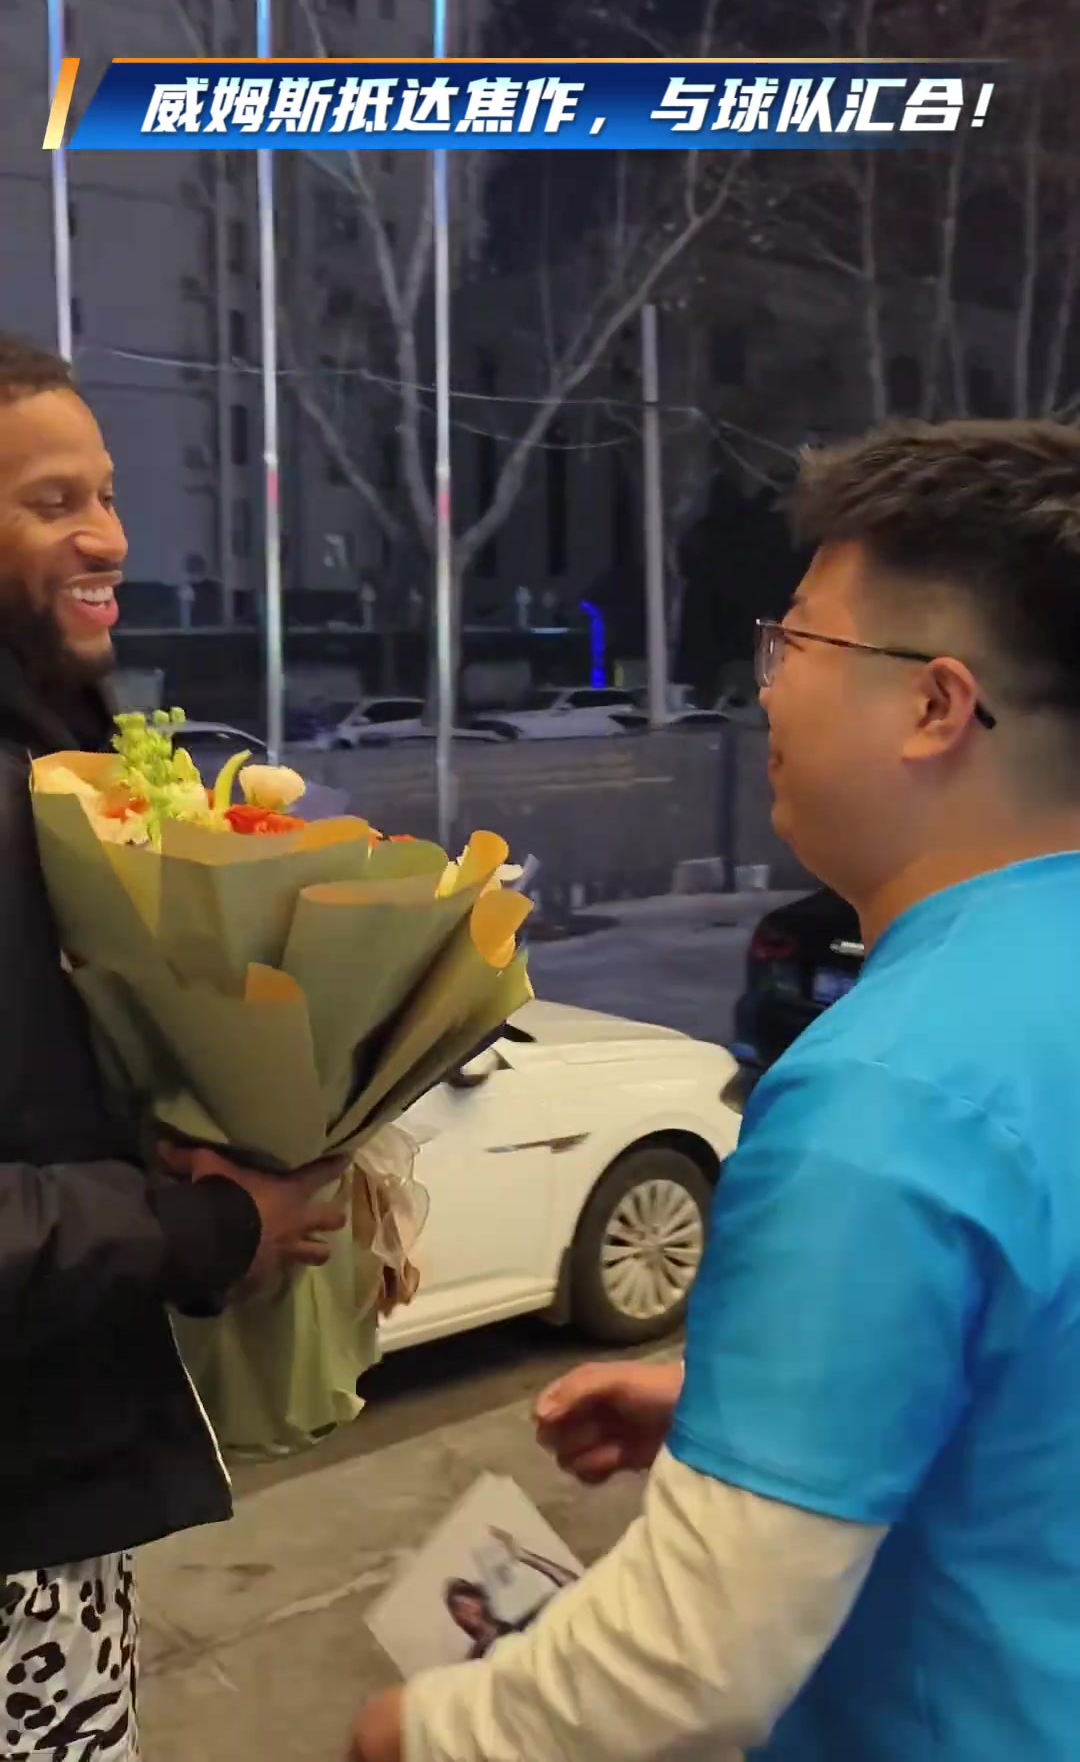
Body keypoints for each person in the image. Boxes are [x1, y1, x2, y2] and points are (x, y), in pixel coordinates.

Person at [350, 417, 1080, 1762]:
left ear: (934, 706)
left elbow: (686, 1674)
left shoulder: (889, 1089)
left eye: (795, 642)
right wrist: (738, 1399)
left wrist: (419, 1734)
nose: (768, 690)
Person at [0, 334, 347, 1761]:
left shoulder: (56, 764)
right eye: (51, 502)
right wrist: (205, 1226)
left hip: (54, 1502)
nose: (110, 538)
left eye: (107, 494)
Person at [444, 1533, 577, 1659]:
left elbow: (574, 1589)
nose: (466, 1609)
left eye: (467, 1601)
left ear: (481, 1599)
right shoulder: (477, 1659)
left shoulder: (520, 1627)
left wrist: (524, 1556)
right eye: (459, 1608)